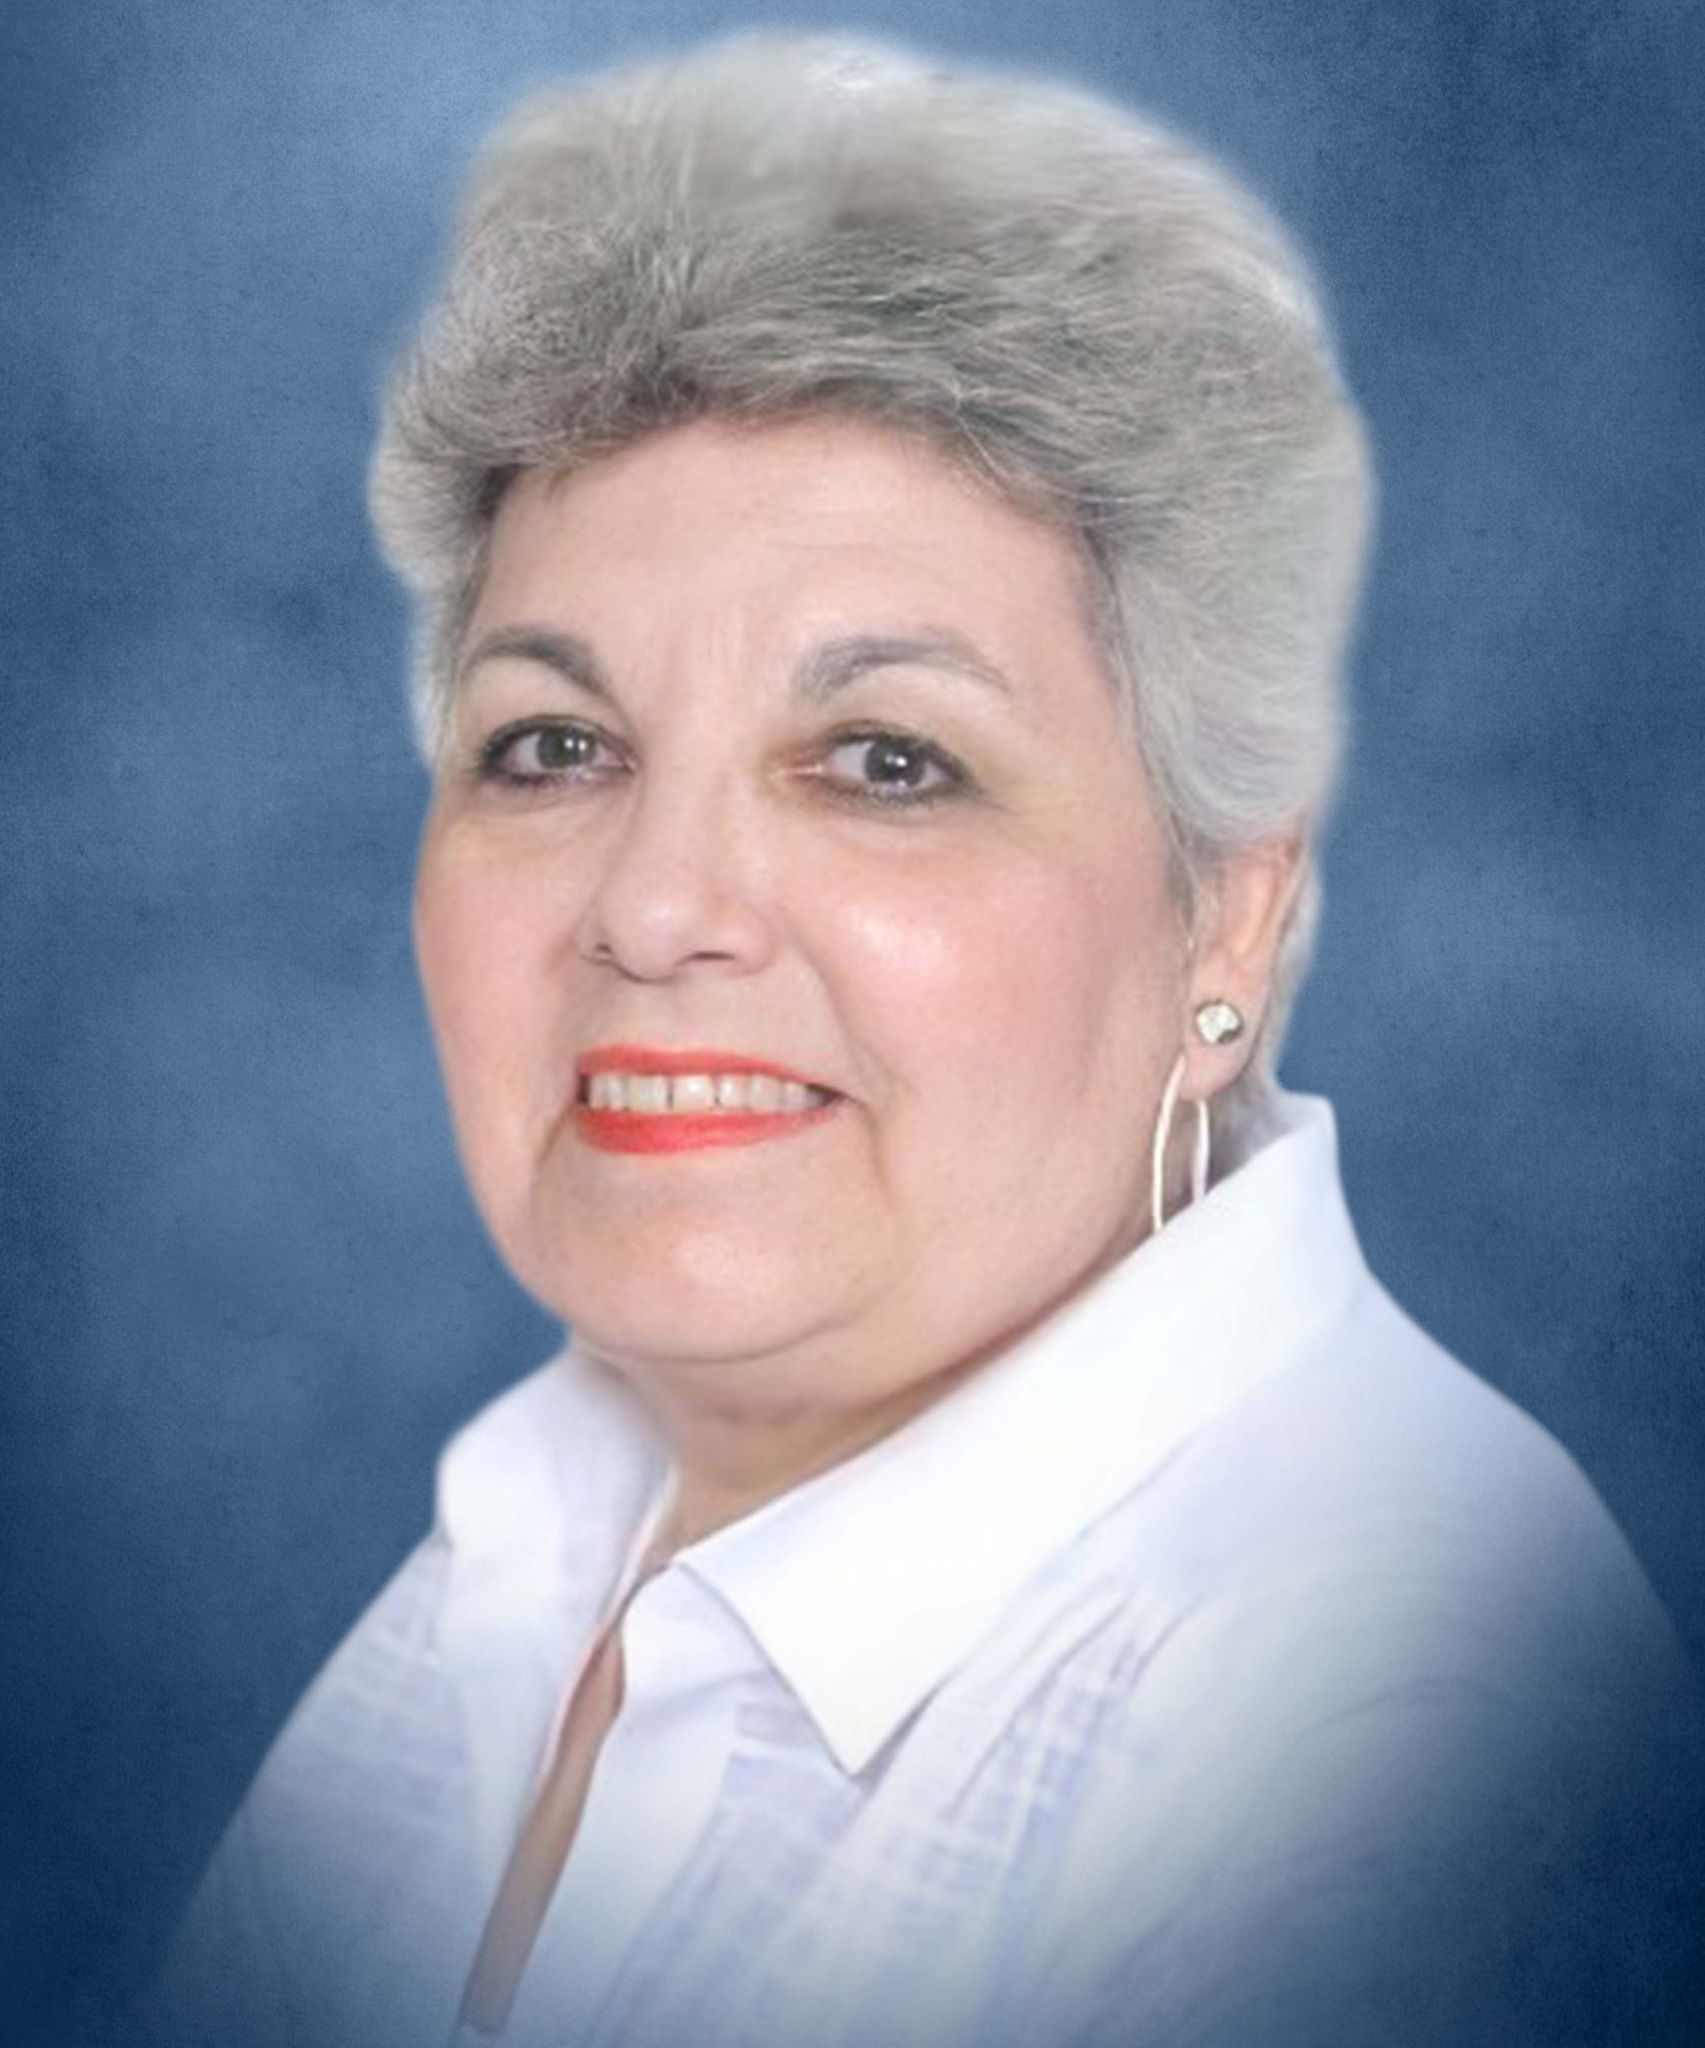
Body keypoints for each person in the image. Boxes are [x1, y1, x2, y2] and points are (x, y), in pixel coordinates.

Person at [156, 31, 1700, 2048]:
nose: (653, 908)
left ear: (1225, 915)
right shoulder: (541, 1526)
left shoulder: (1407, 1729)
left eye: (884, 759)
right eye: (553, 745)